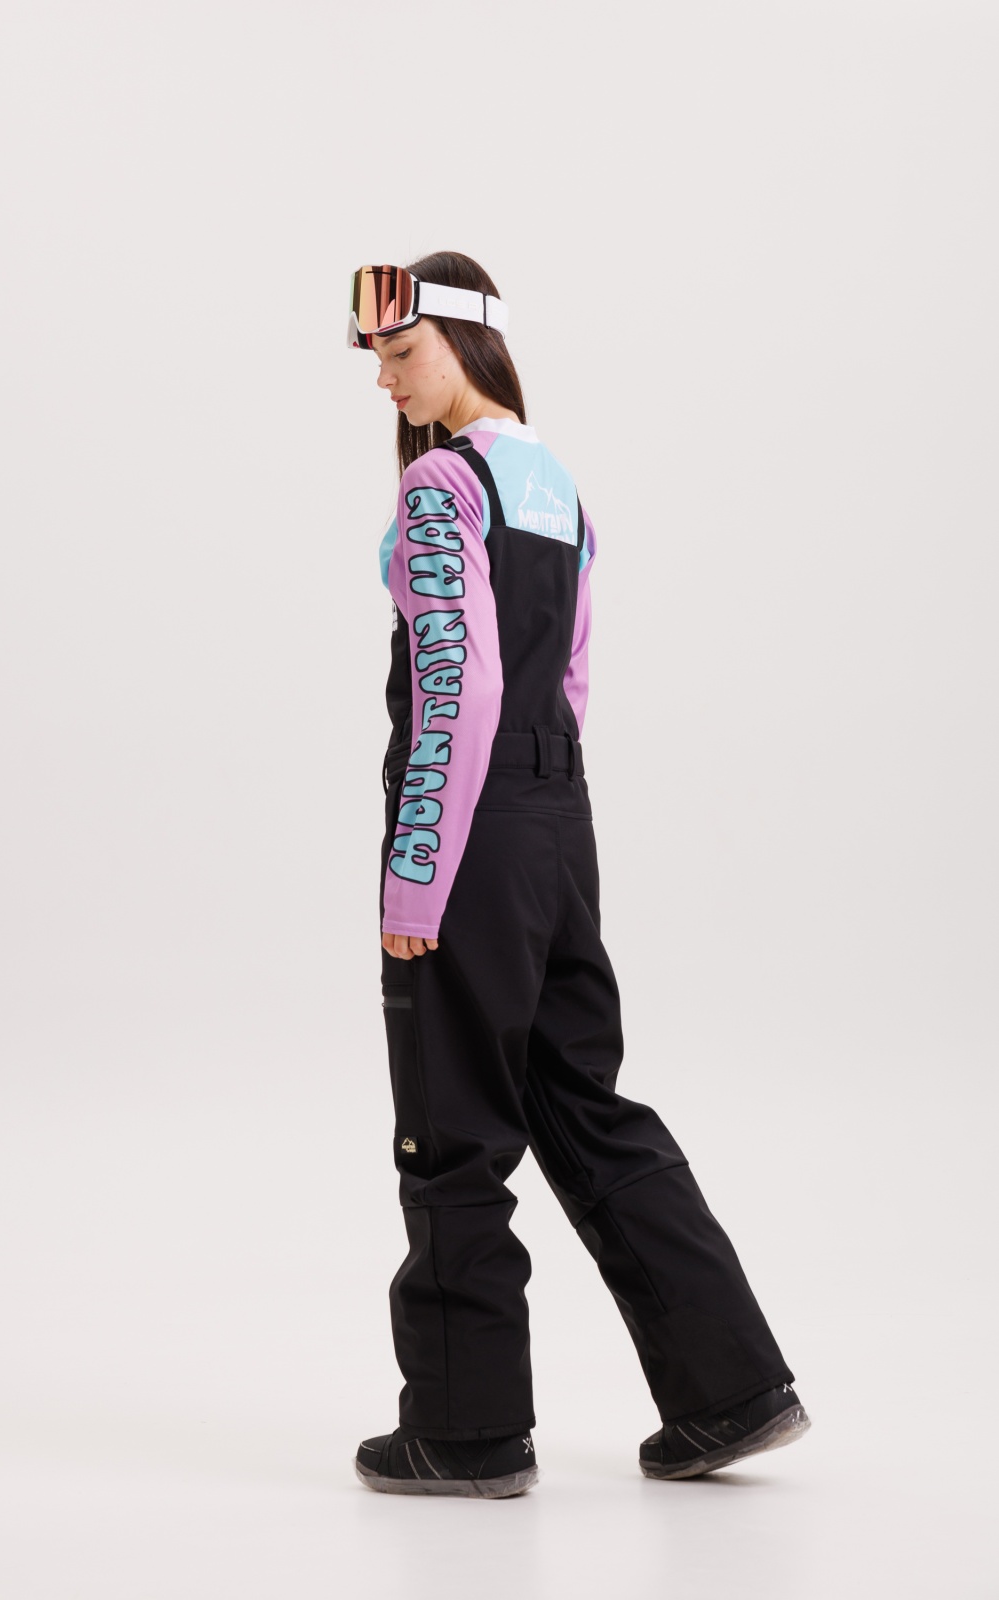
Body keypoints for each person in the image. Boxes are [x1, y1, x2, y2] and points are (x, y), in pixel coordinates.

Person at [347, 254, 810, 1499]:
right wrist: (541, 820)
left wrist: (416, 877)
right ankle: (730, 1388)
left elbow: (458, 683)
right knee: (582, 1104)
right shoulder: (555, 483)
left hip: (470, 831)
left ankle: (466, 1428)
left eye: (403, 352)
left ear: (468, 344)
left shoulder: (444, 484)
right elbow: (571, 678)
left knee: (452, 1127)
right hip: (555, 824)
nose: (387, 381)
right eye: (378, 361)